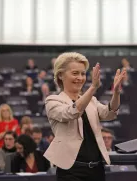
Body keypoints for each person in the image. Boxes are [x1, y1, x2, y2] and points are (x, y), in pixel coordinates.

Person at [44, 52, 126, 181]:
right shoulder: (53, 101)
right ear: (60, 75)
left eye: (83, 74)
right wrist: (93, 87)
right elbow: (72, 112)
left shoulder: (91, 100)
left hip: (97, 169)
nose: (80, 78)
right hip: (71, 171)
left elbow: (109, 113)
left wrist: (116, 93)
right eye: (75, 73)